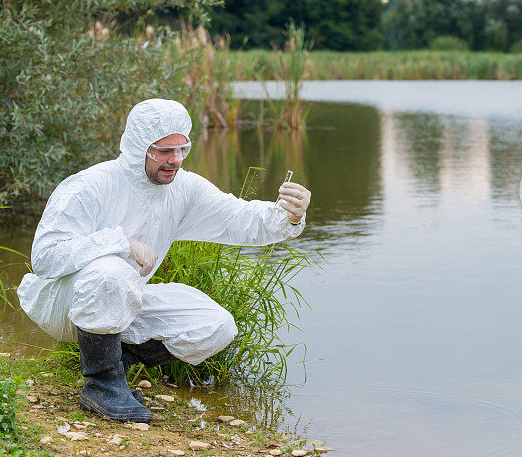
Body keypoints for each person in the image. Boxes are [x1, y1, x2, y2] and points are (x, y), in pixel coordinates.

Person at [17, 98, 311, 423]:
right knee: (111, 269)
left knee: (216, 326)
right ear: (138, 147)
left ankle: (114, 369)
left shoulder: (182, 188)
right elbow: (44, 257)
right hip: (64, 303)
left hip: (122, 299)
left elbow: (238, 218)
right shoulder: (90, 186)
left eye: (182, 149)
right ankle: (100, 385)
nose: (175, 161)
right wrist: (120, 243)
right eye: (164, 151)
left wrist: (288, 216)